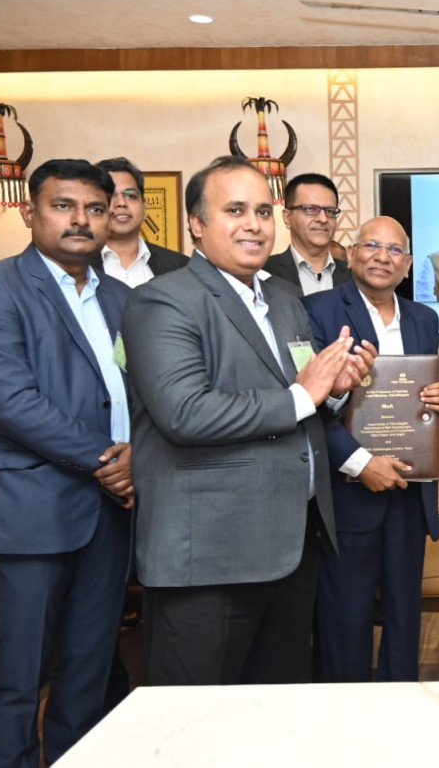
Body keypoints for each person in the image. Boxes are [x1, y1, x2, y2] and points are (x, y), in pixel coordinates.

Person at [122, 156, 373, 687]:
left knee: (275, 710)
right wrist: (304, 394)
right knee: (194, 716)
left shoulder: (283, 299)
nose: (254, 225)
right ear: (196, 223)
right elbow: (184, 413)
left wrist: (334, 391)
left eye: (262, 211)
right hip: (212, 553)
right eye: (234, 210)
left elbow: (304, 394)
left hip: (292, 547)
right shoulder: (161, 300)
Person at [0, 158, 135, 767]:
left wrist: (139, 456)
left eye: (95, 208)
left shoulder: (123, 299)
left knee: (87, 675)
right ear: (30, 212)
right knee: (18, 679)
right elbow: (12, 402)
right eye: (64, 206)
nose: (81, 220)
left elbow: (140, 392)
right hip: (27, 512)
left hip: (110, 513)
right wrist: (108, 459)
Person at [303, 216, 439, 683]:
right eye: (372, 246)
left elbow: (434, 380)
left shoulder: (424, 318)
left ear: (407, 264)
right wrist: (361, 463)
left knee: (405, 615)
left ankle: (402, 706)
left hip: (410, 488)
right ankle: (347, 714)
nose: (382, 257)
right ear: (351, 254)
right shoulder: (317, 310)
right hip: (350, 491)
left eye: (394, 250)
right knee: (345, 618)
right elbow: (308, 403)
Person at [91, 156, 188, 286]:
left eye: (131, 196)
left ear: (144, 206)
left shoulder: (181, 267)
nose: (121, 203)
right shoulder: (75, 265)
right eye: (110, 196)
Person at [263, 172, 353, 294]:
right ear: (287, 217)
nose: (323, 219)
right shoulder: (264, 272)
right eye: (311, 209)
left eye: (330, 211)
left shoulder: (355, 276)